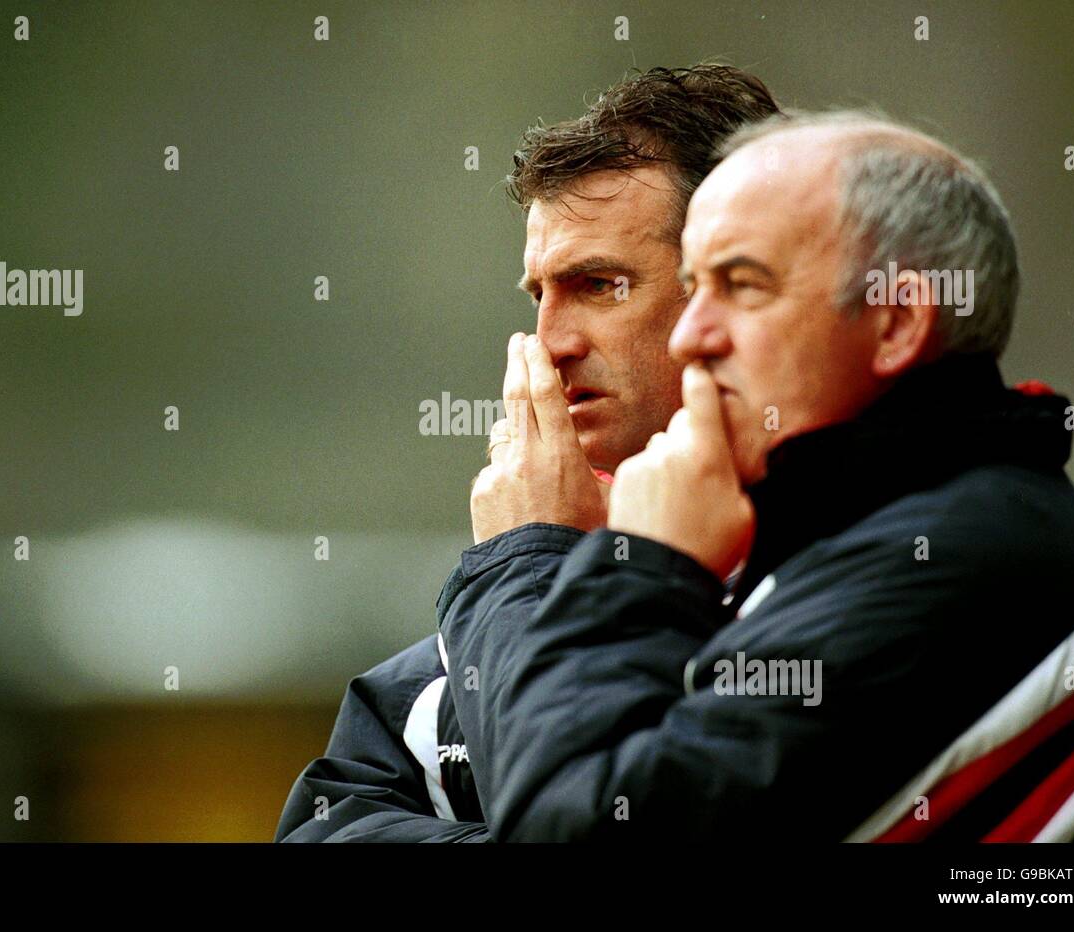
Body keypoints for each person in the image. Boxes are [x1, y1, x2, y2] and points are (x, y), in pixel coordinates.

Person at [438, 111, 1074, 841]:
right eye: (696, 285)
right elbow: (336, 809)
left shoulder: (961, 555)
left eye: (742, 285)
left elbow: (577, 831)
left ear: (896, 323)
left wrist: (569, 564)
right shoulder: (860, 529)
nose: (690, 334)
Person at [275, 65, 782, 841]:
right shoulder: (549, 573)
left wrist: (522, 560)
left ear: (737, 289)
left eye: (600, 284)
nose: (550, 342)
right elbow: (323, 827)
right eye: (538, 294)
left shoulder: (849, 573)